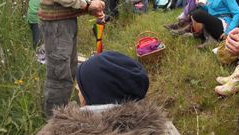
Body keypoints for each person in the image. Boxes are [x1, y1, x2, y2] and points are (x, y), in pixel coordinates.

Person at [38, 51, 180, 134]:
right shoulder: (163, 128)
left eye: (82, 85)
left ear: (97, 93)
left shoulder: (55, 130)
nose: (76, 87)